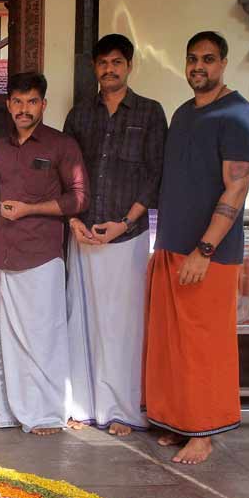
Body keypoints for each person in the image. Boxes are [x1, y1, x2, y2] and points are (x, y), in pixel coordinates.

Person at [145, 31, 249, 464]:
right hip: (172, 245)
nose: (199, 66)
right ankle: (181, 421)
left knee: (204, 345)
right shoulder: (183, 113)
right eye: (192, 58)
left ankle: (204, 432)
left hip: (208, 254)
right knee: (174, 344)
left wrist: (205, 249)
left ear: (223, 63)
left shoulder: (238, 117)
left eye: (208, 59)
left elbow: (236, 189)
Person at [63, 34, 167, 436]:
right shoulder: (79, 115)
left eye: (117, 62)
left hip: (127, 236)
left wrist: (125, 222)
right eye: (103, 63)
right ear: (95, 68)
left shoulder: (150, 112)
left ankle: (121, 411)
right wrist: (74, 221)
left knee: (122, 325)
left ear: (129, 66)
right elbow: (67, 173)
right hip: (84, 233)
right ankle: (83, 406)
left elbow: (155, 174)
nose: (109, 69)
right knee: (82, 319)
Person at [0, 72, 89, 435]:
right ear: (8, 105)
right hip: (2, 256)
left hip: (42, 255)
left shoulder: (61, 145)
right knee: (4, 338)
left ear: (43, 104)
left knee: (44, 337)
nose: (24, 109)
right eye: (18, 102)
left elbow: (79, 198)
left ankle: (46, 414)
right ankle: (8, 411)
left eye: (32, 102)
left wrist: (30, 209)